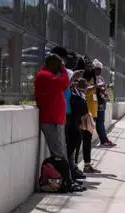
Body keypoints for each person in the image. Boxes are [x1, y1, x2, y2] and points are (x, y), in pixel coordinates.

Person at [51, 47, 86, 179]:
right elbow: (59, 87)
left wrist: (77, 84)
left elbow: (67, 87)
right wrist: (72, 79)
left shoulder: (65, 71)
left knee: (76, 137)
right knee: (65, 141)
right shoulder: (53, 71)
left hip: (69, 111)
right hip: (60, 112)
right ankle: (67, 169)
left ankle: (70, 166)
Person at [34, 54, 69, 160]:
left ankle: (63, 174)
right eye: (59, 65)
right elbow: (63, 84)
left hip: (55, 119)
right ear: (52, 64)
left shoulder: (48, 75)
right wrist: (64, 71)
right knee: (59, 152)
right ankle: (62, 174)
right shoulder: (44, 75)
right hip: (51, 119)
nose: (60, 68)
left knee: (60, 150)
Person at [93, 59, 116, 147]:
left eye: (100, 69)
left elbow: (103, 88)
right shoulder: (92, 78)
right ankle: (104, 140)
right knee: (99, 122)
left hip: (102, 102)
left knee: (100, 121)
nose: (98, 70)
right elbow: (96, 88)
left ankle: (104, 140)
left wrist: (106, 88)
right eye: (96, 69)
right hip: (96, 102)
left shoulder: (101, 78)